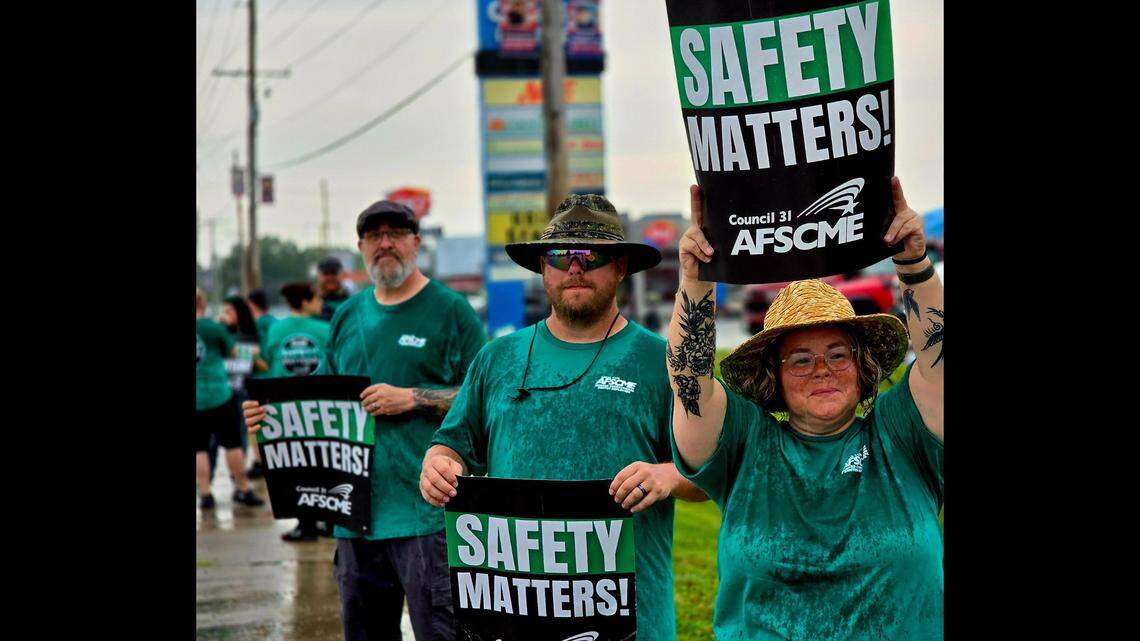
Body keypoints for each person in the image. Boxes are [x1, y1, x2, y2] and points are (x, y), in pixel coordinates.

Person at [421, 194, 708, 641]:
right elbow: (453, 443)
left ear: (620, 267)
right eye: (561, 254)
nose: (575, 267)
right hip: (515, 618)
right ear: (542, 269)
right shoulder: (497, 359)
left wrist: (668, 475)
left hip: (633, 621)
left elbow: (710, 471)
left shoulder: (663, 361)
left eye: (592, 255)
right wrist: (439, 463)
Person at [669, 178, 943, 640]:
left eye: (838, 353)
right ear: (773, 376)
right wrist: (695, 281)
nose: (822, 370)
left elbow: (939, 362)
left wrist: (913, 262)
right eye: (800, 359)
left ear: (862, 365)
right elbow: (689, 384)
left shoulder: (902, 432)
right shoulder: (745, 442)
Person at [244, 200, 486, 641]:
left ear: (416, 242)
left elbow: (486, 399)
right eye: (374, 236)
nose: (386, 243)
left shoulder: (451, 310)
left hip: (428, 517)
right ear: (361, 247)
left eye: (396, 233)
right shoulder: (347, 316)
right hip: (354, 516)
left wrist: (411, 397)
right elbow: (320, 399)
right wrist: (270, 417)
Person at [261, 281, 332, 542]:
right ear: (305, 300)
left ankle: (306, 523)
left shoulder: (275, 330)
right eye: (316, 298)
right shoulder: (325, 329)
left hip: (286, 409)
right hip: (322, 406)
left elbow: (269, 362)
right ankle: (328, 521)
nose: (321, 304)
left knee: (297, 467)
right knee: (326, 464)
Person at [196, 287, 264, 509]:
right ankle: (243, 488)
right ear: (203, 304)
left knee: (199, 449)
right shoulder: (213, 328)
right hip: (219, 394)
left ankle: (205, 494)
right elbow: (234, 352)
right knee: (233, 444)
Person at [246, 288, 277, 479]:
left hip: (259, 380)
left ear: (251, 304)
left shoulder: (254, 325)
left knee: (254, 424)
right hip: (277, 380)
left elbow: (260, 359)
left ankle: (259, 462)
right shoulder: (276, 322)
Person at [317, 256, 351, 322]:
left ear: (341, 275)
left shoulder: (351, 302)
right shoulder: (310, 304)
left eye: (333, 273)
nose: (330, 278)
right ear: (319, 276)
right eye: (326, 274)